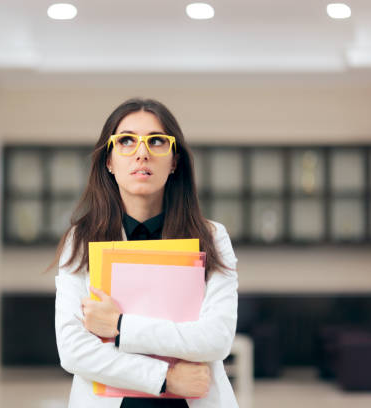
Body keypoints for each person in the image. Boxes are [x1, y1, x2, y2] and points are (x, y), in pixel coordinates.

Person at [54, 98, 239, 408]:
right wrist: (164, 378)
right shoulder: (80, 240)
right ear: (109, 161)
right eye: (126, 141)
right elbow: (73, 350)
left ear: (174, 161)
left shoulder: (212, 237)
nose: (142, 152)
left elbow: (216, 339)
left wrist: (120, 326)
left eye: (156, 141)